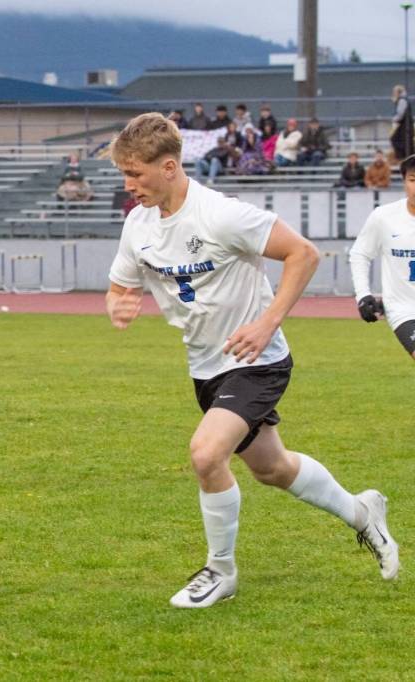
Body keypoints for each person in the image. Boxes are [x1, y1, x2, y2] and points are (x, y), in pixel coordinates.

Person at [106, 112, 398, 609]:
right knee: (273, 468)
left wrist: (266, 323)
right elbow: (121, 284)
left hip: (258, 361)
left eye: (135, 174)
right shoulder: (138, 223)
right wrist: (119, 301)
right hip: (205, 367)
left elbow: (304, 253)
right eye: (124, 174)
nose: (128, 184)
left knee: (205, 453)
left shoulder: (221, 214)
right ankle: (362, 512)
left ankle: (220, 572)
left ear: (171, 167)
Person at [349, 154, 415, 359]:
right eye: (413, 180)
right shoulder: (384, 217)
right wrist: (363, 295)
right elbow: (360, 254)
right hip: (404, 309)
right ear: (404, 182)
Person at [390, 85, 413, 163]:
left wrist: (394, 119)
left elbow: (400, 114)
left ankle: (402, 157)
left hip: (405, 125)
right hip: (406, 124)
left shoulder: (402, 100)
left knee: (395, 138)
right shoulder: (404, 100)